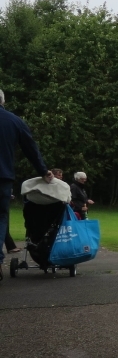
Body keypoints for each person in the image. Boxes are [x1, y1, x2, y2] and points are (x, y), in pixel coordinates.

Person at [0, 89, 52, 279]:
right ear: (3, 102)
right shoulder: (14, 121)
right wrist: (43, 171)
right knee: (0, 218)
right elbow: (30, 148)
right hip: (2, 177)